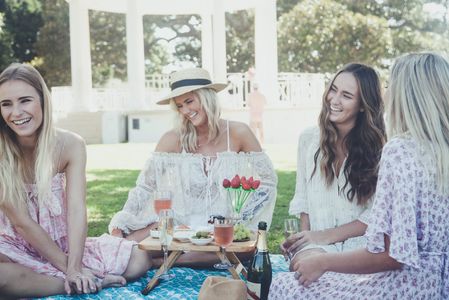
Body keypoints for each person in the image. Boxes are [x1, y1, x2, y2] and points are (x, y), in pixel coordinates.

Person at [269, 52, 449, 299]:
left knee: (283, 285)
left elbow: (392, 256)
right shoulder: (438, 152)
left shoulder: (398, 150)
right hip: (439, 284)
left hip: (403, 285)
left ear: (407, 96)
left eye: (390, 86)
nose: (388, 93)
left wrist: (324, 262)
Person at [0, 63, 152, 298]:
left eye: (25, 100)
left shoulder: (70, 144)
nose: (16, 112)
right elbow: (21, 223)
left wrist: (75, 265)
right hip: (13, 245)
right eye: (6, 104)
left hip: (60, 244)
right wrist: (72, 272)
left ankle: (52, 279)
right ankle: (78, 284)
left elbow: (76, 209)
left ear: (43, 100)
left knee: (138, 260)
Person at [108, 67, 277, 265]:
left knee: (246, 249)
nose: (186, 111)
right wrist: (122, 222)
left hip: (222, 229)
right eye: (180, 106)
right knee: (124, 248)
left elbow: (268, 181)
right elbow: (145, 187)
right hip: (182, 226)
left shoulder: (239, 132)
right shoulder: (172, 138)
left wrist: (239, 218)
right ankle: (180, 256)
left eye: (189, 101)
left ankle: (165, 261)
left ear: (208, 98)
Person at [282, 63, 386, 271]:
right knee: (304, 265)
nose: (334, 100)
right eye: (333, 90)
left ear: (363, 105)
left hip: (362, 245)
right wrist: (303, 242)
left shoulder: (381, 148)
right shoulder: (308, 140)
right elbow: (304, 201)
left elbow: (377, 214)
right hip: (318, 246)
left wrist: (323, 236)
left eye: (346, 96)